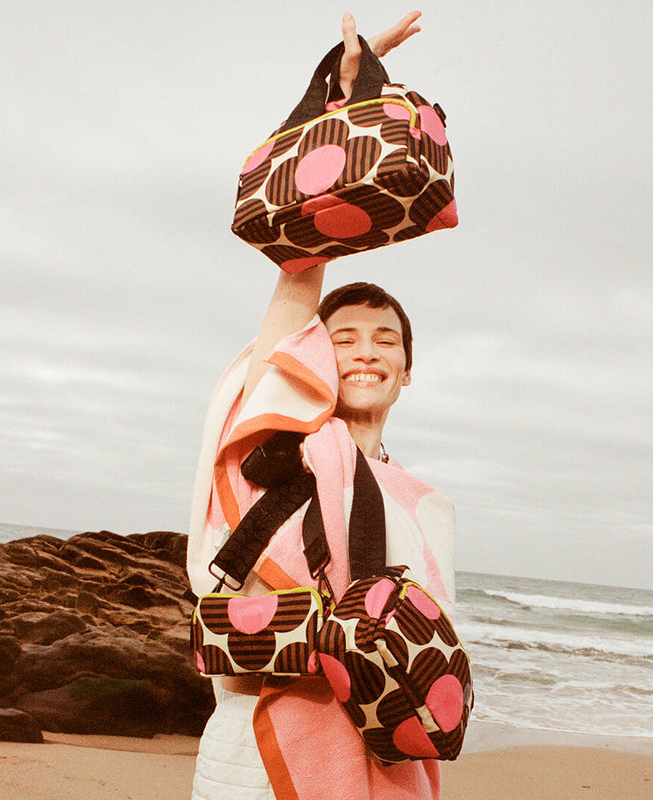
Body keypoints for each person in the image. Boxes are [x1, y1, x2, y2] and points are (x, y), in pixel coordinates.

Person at [186, 12, 455, 800]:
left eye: (385, 340)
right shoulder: (280, 442)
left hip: (385, 766)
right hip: (256, 760)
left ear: (408, 372)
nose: (365, 349)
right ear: (311, 362)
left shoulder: (431, 505)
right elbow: (299, 275)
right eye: (343, 339)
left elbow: (430, 653)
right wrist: (341, 108)